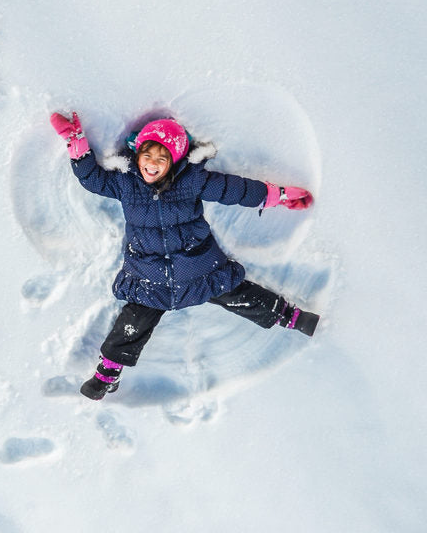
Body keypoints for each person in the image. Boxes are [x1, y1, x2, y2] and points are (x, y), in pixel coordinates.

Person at [49, 112, 319, 400]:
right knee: (133, 322)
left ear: (174, 162)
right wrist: (75, 142)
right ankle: (107, 373)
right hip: (150, 275)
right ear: (137, 154)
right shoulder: (125, 184)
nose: (152, 163)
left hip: (198, 268)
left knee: (239, 294)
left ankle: (290, 316)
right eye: (147, 155)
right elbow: (93, 179)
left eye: (162, 158)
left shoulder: (191, 181)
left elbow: (235, 190)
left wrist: (279, 195)